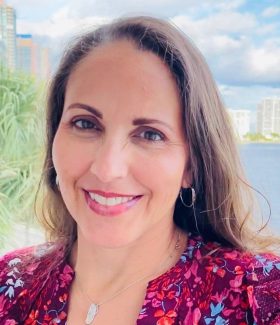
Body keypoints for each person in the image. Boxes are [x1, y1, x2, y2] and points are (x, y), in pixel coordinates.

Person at [0, 16, 280, 325]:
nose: (107, 169)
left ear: (191, 165)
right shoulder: (10, 284)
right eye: (85, 124)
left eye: (150, 134)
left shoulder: (260, 298)